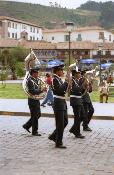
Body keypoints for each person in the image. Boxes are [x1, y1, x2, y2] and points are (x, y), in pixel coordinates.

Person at [48, 65, 68, 149]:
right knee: (60, 124)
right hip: (58, 102)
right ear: (57, 71)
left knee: (65, 122)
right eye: (61, 70)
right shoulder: (54, 79)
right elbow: (59, 90)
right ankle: (58, 142)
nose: (62, 72)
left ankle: (53, 136)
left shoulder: (58, 79)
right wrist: (66, 82)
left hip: (62, 102)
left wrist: (68, 83)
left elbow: (64, 90)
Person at [23, 67, 45, 136]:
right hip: (32, 100)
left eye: (37, 73)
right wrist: (41, 90)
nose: (38, 74)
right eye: (36, 73)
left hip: (36, 99)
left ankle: (27, 125)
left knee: (38, 115)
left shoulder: (35, 80)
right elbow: (32, 91)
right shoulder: (30, 80)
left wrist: (43, 89)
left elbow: (37, 89)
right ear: (33, 73)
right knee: (35, 116)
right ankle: (34, 131)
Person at [69, 70, 85, 139]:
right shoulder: (72, 80)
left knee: (83, 115)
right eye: (79, 73)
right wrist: (83, 84)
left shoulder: (77, 80)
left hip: (79, 100)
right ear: (75, 74)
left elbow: (81, 91)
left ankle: (73, 129)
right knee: (77, 117)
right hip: (75, 100)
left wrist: (86, 87)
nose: (80, 74)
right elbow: (76, 90)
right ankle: (77, 133)